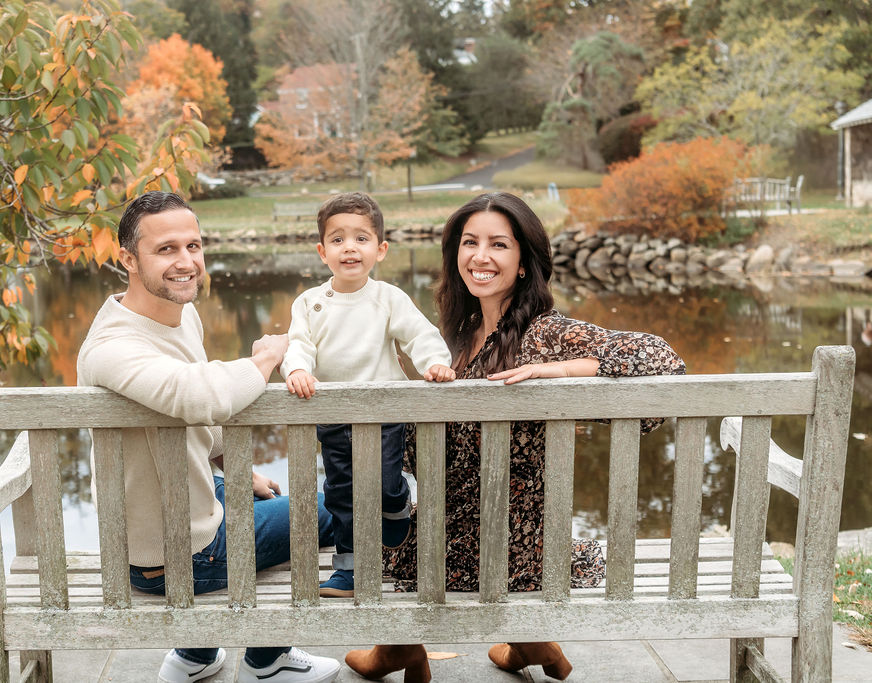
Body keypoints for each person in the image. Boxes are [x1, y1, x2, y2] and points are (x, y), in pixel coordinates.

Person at [345, 192, 686, 682]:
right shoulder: (456, 340)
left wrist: (559, 371)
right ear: (454, 254)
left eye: (498, 245)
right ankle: (531, 644)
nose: (481, 257)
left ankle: (399, 648)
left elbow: (661, 359)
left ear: (524, 263)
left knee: (366, 541)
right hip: (511, 542)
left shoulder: (540, 335)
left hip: (496, 549)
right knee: (395, 524)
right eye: (470, 242)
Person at [77, 191, 340, 683]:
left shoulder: (179, 314)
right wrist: (267, 356)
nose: (186, 262)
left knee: (254, 496)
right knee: (329, 509)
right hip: (177, 557)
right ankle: (268, 658)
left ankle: (195, 656)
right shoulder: (113, 348)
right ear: (127, 259)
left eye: (193, 246)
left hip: (174, 509)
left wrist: (239, 471)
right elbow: (198, 396)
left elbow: (195, 420)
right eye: (166, 250)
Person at [282, 192, 455, 598]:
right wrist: (297, 370)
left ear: (380, 249)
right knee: (341, 494)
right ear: (322, 252)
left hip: (383, 411)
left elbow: (419, 334)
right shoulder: (310, 303)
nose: (350, 248)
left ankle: (396, 501)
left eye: (361, 239)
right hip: (333, 414)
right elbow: (298, 344)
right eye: (338, 239)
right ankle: (351, 569)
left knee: (380, 480)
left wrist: (433, 363)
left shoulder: (388, 298)